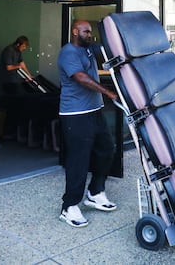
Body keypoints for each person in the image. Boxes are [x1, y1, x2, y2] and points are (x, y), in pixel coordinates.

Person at [57, 19, 118, 227]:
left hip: (95, 111)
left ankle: (95, 192)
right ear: (75, 31)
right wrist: (108, 92)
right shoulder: (68, 52)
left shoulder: (89, 49)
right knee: (78, 160)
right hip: (75, 114)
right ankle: (69, 206)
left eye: (90, 32)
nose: (89, 35)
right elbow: (81, 77)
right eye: (85, 32)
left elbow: (109, 47)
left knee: (107, 150)